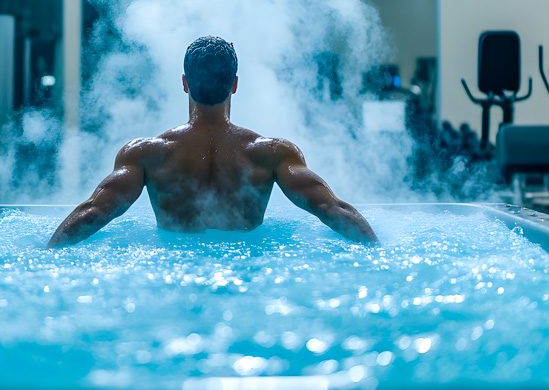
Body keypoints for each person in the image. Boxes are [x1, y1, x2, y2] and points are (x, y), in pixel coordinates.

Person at [48, 36, 379, 247]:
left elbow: (94, 211)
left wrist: (46, 254)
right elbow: (332, 209)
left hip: (171, 275)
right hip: (244, 279)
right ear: (234, 84)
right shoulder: (271, 154)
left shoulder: (147, 154)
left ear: (184, 83)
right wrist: (379, 252)